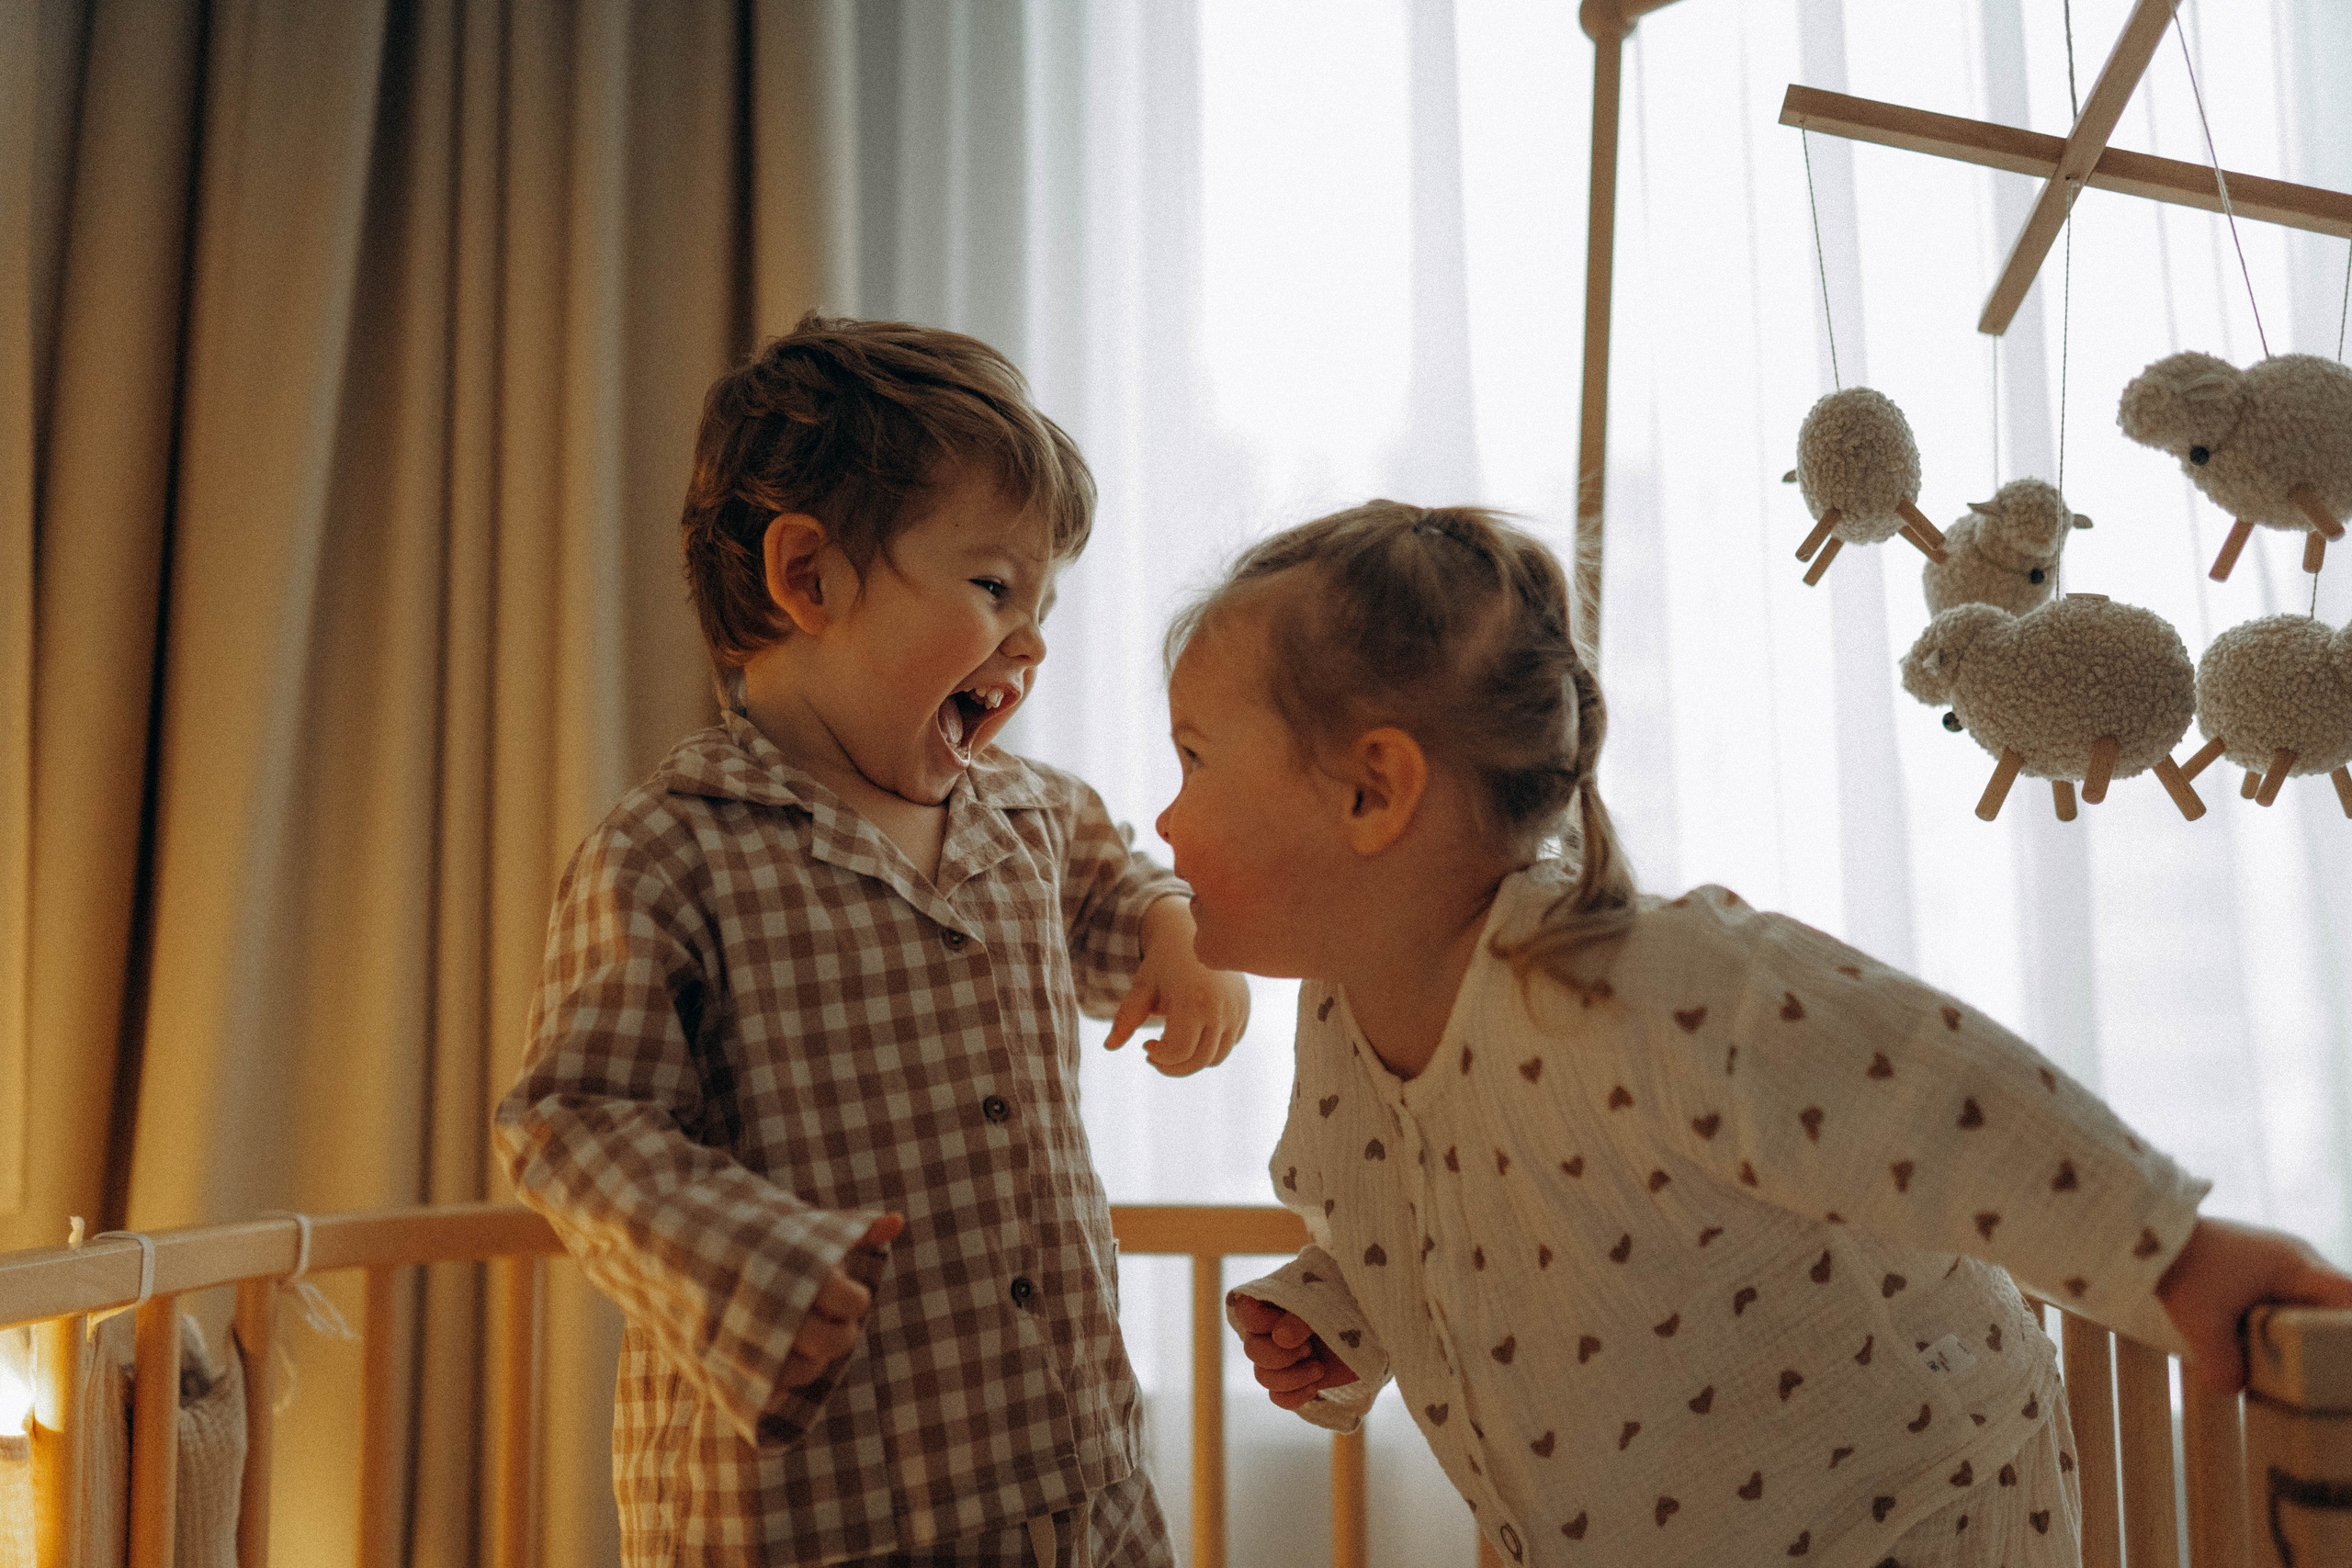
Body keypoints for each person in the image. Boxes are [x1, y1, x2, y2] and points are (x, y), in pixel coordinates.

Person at [1159, 499, 2352, 1567]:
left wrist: (2175, 1257)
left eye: (1195, 758)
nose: (1163, 812)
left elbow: (1935, 1094)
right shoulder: (1342, 1007)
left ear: (1374, 790)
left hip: (1896, 1510)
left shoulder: (1634, 984)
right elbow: (1430, 1211)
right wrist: (1340, 1312)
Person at [494, 315, 1250, 1568]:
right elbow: (572, 1122)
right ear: (810, 579)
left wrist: (1179, 935)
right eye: (994, 587)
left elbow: (1125, 893)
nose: (1032, 641)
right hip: (829, 1509)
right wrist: (748, 1265)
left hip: (1066, 1468)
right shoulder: (675, 852)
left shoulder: (1030, 811)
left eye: (1045, 602)